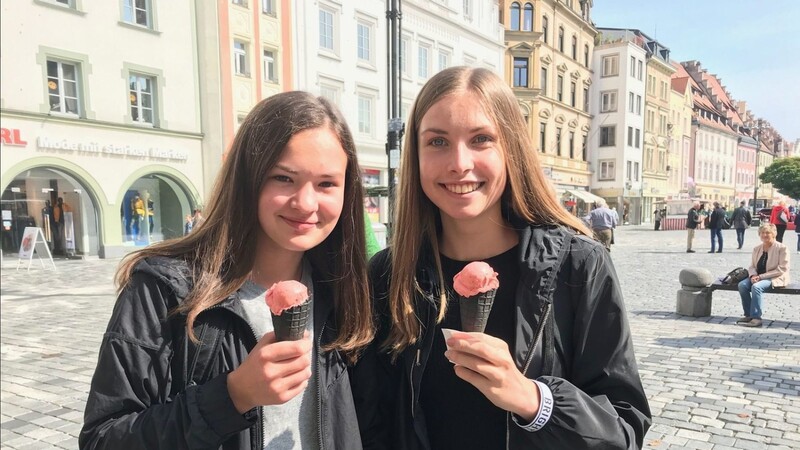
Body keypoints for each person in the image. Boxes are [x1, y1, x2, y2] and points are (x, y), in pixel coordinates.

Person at [350, 67, 650, 450]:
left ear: (510, 149)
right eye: (438, 141)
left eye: (480, 139)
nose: (459, 163)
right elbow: (373, 422)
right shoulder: (389, 276)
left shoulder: (578, 265)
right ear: (416, 155)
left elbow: (624, 428)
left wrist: (534, 401)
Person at [80, 92, 373, 449]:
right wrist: (232, 396)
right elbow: (103, 438)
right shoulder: (166, 291)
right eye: (284, 178)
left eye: (327, 183)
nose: (306, 203)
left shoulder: (344, 292)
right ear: (248, 179)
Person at [736, 223, 791, 328]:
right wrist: (753, 275)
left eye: (768, 233)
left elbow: (782, 268)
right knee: (742, 285)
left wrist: (760, 277)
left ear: (773, 234)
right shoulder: (757, 248)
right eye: (762, 233)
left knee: (756, 287)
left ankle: (756, 317)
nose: (765, 235)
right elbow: (752, 266)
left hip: (775, 277)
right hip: (757, 276)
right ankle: (748, 315)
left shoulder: (782, 248)